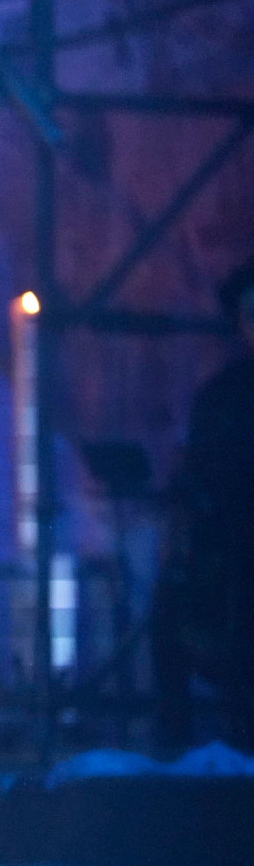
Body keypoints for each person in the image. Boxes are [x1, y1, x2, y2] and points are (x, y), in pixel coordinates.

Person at [155, 258, 254, 750]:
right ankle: (178, 746)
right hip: (224, 554)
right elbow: (196, 475)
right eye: (250, 315)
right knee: (168, 607)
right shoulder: (221, 396)